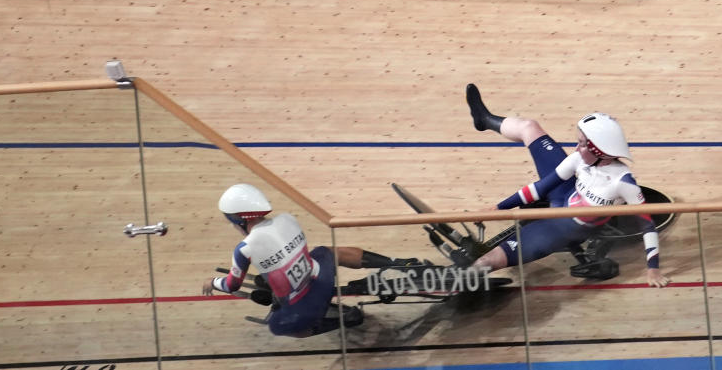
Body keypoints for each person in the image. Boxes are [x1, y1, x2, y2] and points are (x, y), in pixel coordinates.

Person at [464, 84, 670, 288]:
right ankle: (484, 119)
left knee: (487, 262)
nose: (575, 147)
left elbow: (647, 226)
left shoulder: (624, 182)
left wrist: (653, 268)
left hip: (559, 229)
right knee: (529, 127)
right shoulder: (578, 159)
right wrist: (500, 207)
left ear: (598, 150)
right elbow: (541, 187)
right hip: (565, 194)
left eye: (581, 143)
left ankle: (460, 282)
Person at [202, 183, 417, 337]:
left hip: (305, 300)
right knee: (327, 251)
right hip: (320, 273)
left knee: (278, 326)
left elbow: (232, 284)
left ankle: (348, 317)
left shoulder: (244, 248)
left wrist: (212, 282)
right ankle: (397, 262)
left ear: (238, 219)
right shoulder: (287, 218)